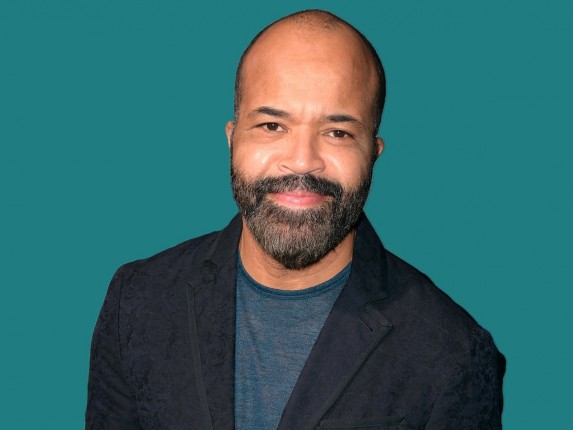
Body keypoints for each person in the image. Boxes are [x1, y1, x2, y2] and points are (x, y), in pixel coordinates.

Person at [86, 9, 505, 430]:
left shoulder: (452, 352)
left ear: (372, 152)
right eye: (272, 125)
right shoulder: (136, 300)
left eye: (338, 133)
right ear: (232, 139)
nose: (302, 161)